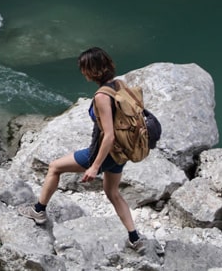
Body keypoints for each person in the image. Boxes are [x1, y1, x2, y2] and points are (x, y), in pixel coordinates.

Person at [17, 46, 145, 252]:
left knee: (55, 167)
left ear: (92, 70)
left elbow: (109, 135)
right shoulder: (119, 84)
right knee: (112, 193)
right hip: (122, 152)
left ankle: (38, 210)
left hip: (103, 152)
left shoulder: (102, 97)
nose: (82, 72)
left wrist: (95, 166)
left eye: (83, 68)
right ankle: (135, 238)